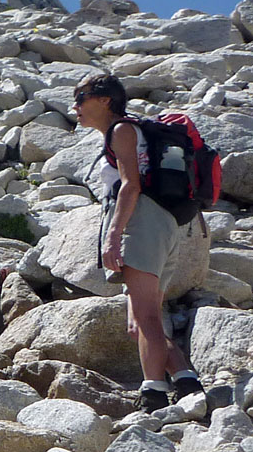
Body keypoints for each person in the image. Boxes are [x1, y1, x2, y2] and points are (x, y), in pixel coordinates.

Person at [73, 73, 205, 413]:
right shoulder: (128, 132)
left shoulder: (121, 131)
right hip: (164, 225)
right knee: (139, 324)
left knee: (146, 317)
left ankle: (153, 396)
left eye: (81, 97)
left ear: (105, 100)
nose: (76, 106)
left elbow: (131, 185)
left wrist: (113, 236)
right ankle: (188, 384)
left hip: (142, 222)